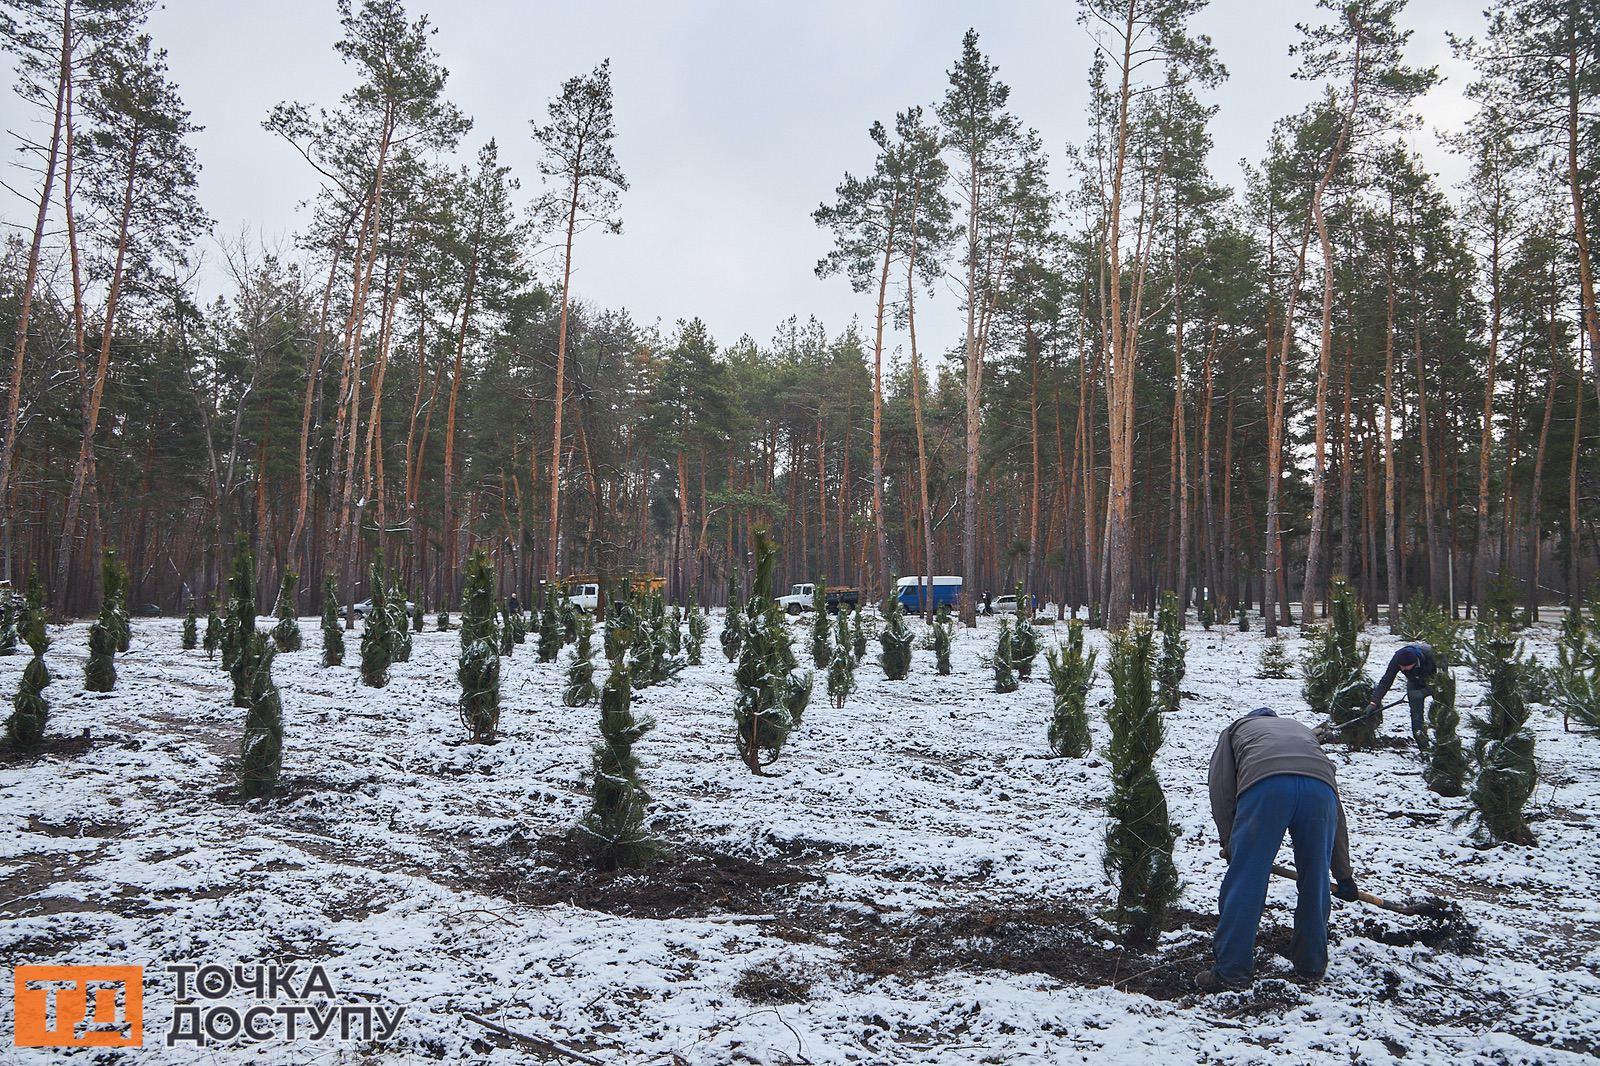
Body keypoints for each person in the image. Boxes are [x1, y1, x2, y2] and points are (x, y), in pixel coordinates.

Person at [1199, 707, 1358, 991]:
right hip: (1320, 792)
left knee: (1247, 877)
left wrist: (1230, 842)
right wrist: (1343, 875)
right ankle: (1310, 965)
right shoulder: (1300, 731)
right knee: (1316, 878)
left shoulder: (1236, 730)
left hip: (1267, 788)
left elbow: (1221, 786)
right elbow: (1337, 812)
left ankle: (1232, 970)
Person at [1368, 642, 1436, 753]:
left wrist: (1423, 692)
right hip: (1415, 681)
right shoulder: (1398, 659)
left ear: (1415, 662)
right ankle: (1424, 750)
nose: (1402, 669)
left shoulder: (1433, 657)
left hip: (1435, 681)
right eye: (1401, 667)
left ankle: (1443, 748)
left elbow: (1443, 684)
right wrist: (1374, 702)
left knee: (1441, 714)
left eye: (1405, 667)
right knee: (1416, 717)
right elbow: (1386, 680)